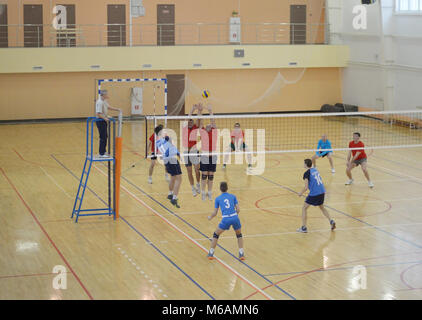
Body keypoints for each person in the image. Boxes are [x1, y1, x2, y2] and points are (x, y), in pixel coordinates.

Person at [207, 182, 245, 260]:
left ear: (220, 189)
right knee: (239, 235)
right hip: (235, 217)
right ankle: (241, 254)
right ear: (227, 188)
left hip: (226, 219)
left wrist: (210, 217)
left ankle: (211, 253)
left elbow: (215, 213)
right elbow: (238, 209)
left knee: (216, 234)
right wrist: (234, 216)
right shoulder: (233, 196)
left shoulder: (218, 198)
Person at [297, 159, 336, 233]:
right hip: (322, 191)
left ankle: (304, 228)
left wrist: (300, 193)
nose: (303, 164)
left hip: (315, 193)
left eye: (303, 163)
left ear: (305, 164)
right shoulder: (315, 170)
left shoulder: (306, 173)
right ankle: (331, 221)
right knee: (322, 207)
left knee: (304, 208)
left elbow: (306, 187)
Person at [156, 135, 182, 208]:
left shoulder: (160, 144)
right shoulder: (171, 146)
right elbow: (178, 153)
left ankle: (170, 194)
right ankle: (174, 198)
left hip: (166, 161)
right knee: (179, 179)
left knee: (173, 177)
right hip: (172, 160)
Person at [182, 104, 202, 196]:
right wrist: (192, 109)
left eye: (191, 121)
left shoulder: (194, 127)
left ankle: (198, 184)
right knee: (189, 171)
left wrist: (199, 110)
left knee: (197, 170)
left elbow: (198, 119)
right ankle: (193, 188)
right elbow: (187, 119)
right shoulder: (185, 128)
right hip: (186, 152)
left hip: (194, 151)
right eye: (188, 121)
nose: (189, 122)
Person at [199, 104, 218, 201]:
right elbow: (201, 122)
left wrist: (210, 111)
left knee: (211, 176)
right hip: (205, 156)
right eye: (207, 125)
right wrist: (201, 111)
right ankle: (203, 193)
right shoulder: (202, 132)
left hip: (213, 156)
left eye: (210, 125)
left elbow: (213, 121)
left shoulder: (214, 132)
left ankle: (209, 193)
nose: (209, 125)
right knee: (204, 175)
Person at [95, 90, 120, 157]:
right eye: (106, 94)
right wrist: (105, 118)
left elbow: (108, 107)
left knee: (105, 136)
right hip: (100, 121)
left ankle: (104, 151)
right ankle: (101, 153)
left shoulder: (104, 101)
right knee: (103, 137)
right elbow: (98, 113)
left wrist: (117, 109)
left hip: (103, 120)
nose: (107, 95)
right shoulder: (100, 102)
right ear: (103, 95)